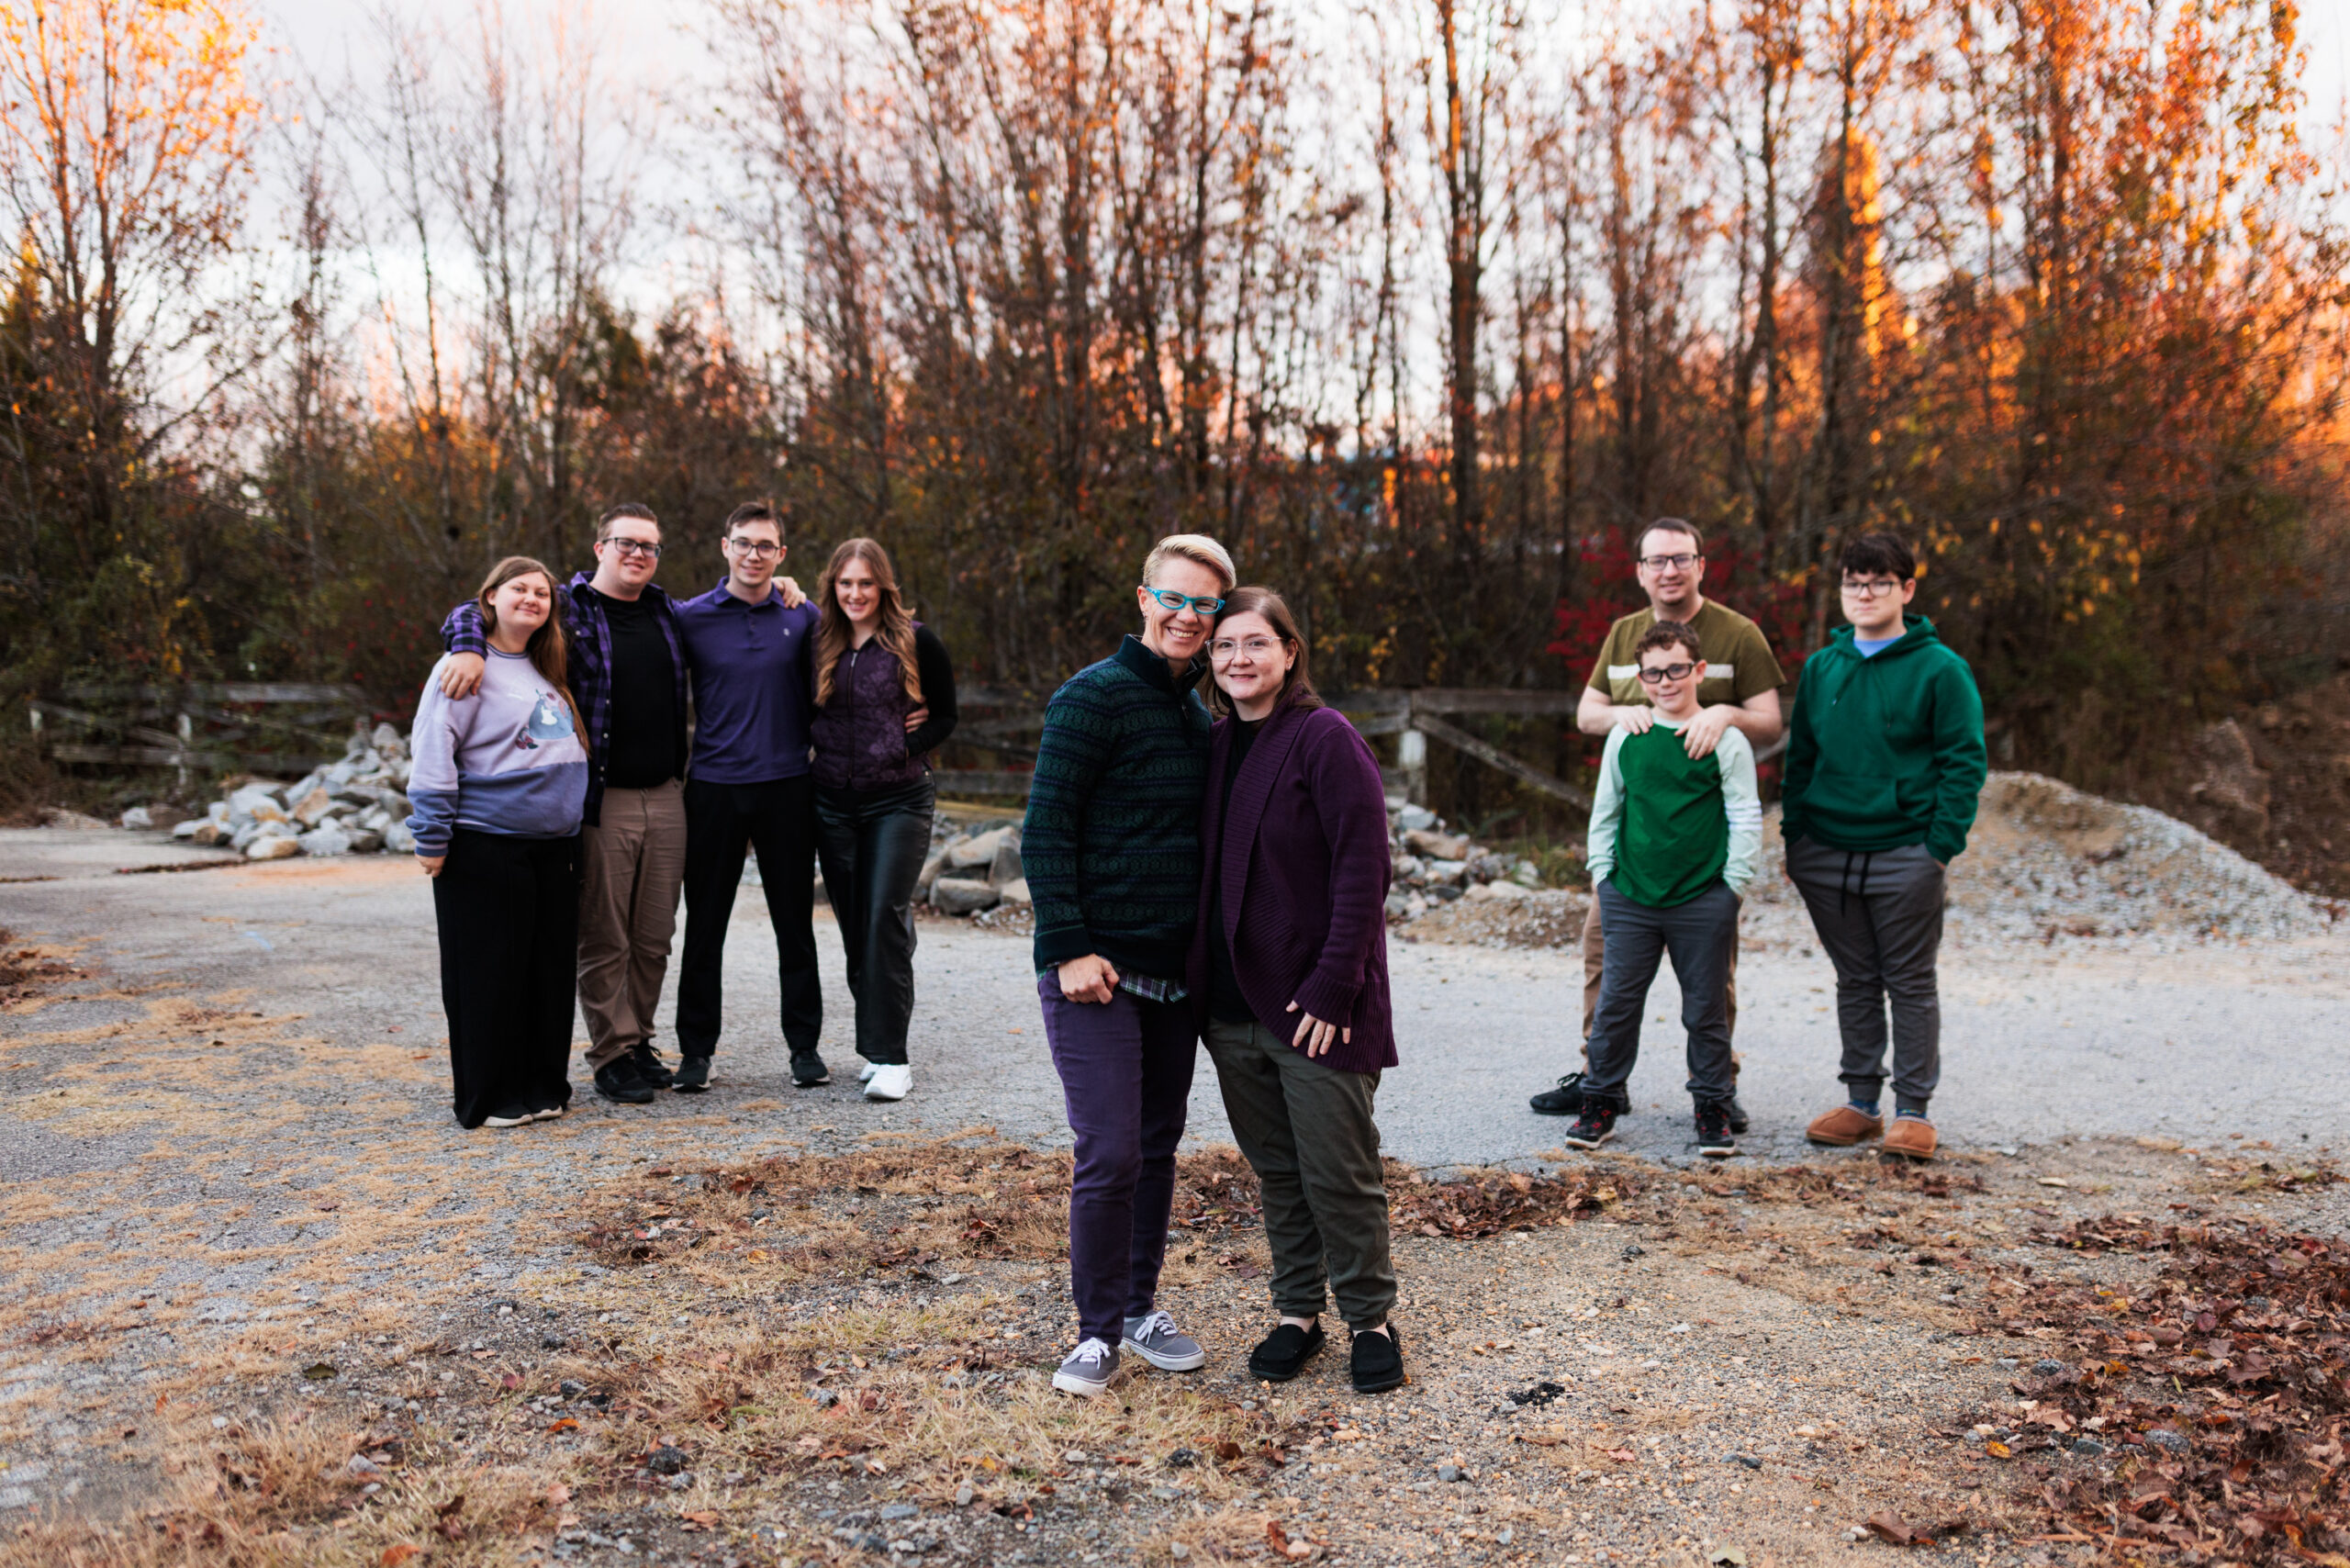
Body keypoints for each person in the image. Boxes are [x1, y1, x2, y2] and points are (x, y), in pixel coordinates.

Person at [1024, 532, 1233, 1397]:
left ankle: (1141, 1306)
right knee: (1108, 1151)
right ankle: (1096, 1330)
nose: (1188, 616)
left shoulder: (1199, 716)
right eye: (1174, 599)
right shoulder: (1092, 697)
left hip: (1172, 976)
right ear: (1143, 599)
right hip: (1095, 971)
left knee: (1155, 1145)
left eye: (1205, 605)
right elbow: (1046, 830)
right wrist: (1069, 946)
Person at [1187, 588, 1404, 1395]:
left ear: (1288, 652)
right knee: (1277, 1170)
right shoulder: (1214, 746)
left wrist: (1332, 985)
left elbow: (1363, 869)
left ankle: (1370, 1319)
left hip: (1318, 1004)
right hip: (1233, 1005)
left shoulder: (1325, 739)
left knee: (1338, 1170)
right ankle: (1296, 1314)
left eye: (1254, 644)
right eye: (1223, 648)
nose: (1238, 659)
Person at [439, 504, 693, 1107]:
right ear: (600, 546)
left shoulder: (668, 612)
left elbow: (741, 606)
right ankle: (611, 1053)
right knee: (606, 934)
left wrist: (785, 587)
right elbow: (477, 606)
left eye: (650, 547)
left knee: (655, 934)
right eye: (625, 543)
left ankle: (639, 1043)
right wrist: (468, 646)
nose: (638, 554)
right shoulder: (565, 602)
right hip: (602, 798)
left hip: (668, 793)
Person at [1534, 517, 1785, 1124]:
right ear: (1639, 570)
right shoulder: (1623, 636)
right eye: (1656, 561)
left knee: (1709, 979)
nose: (1668, 571)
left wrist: (1722, 712)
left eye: (1680, 558)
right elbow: (1587, 713)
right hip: (1634, 840)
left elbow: (1771, 721)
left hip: (1701, 847)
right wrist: (1630, 715)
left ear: (1701, 564)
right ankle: (1601, 1079)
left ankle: (1717, 1089)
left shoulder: (1737, 634)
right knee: (1605, 961)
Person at [1781, 533, 1986, 1162]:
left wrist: (1938, 847)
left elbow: (1964, 762)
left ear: (1907, 590)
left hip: (1905, 853)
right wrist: (1797, 839)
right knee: (1856, 979)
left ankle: (1913, 1110)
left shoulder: (1941, 670)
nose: (1864, 593)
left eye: (1878, 581)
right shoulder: (1823, 668)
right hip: (1827, 851)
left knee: (1909, 979)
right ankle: (1862, 1103)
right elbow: (1801, 759)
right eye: (1853, 582)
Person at [1561, 621, 1762, 1158]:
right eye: (1654, 672)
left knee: (1705, 1007)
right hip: (1630, 894)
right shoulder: (1628, 735)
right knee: (1618, 1004)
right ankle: (1600, 1100)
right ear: (1640, 678)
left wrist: (1733, 886)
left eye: (1677, 669)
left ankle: (1713, 1105)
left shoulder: (1725, 739)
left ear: (1698, 670)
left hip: (1703, 896)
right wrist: (1604, 876)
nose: (1666, 681)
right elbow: (1608, 810)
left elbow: (1745, 814)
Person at [408, 557, 590, 1129]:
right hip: (487, 844)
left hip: (553, 847)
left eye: (542, 592)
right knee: (489, 973)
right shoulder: (464, 667)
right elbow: (434, 753)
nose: (532, 598)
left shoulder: (546, 666)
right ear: (489, 596)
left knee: (546, 973)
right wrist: (432, 837)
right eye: (519, 588)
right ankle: (491, 1096)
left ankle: (541, 1085)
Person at [674, 500, 829, 1091]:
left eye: (766, 546)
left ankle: (805, 1049)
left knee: (795, 924)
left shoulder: (803, 615)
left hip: (787, 785)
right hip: (713, 786)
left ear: (781, 555)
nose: (754, 554)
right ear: (725, 546)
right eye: (744, 542)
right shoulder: (691, 618)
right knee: (705, 925)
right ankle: (695, 1053)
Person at [808, 538, 959, 1103]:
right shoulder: (817, 640)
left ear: (883, 587)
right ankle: (873, 1047)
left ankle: (894, 1058)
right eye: (845, 583)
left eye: (865, 583)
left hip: (899, 799)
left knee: (883, 917)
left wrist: (903, 744)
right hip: (831, 804)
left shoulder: (917, 642)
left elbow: (945, 715)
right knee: (855, 927)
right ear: (832, 587)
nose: (855, 594)